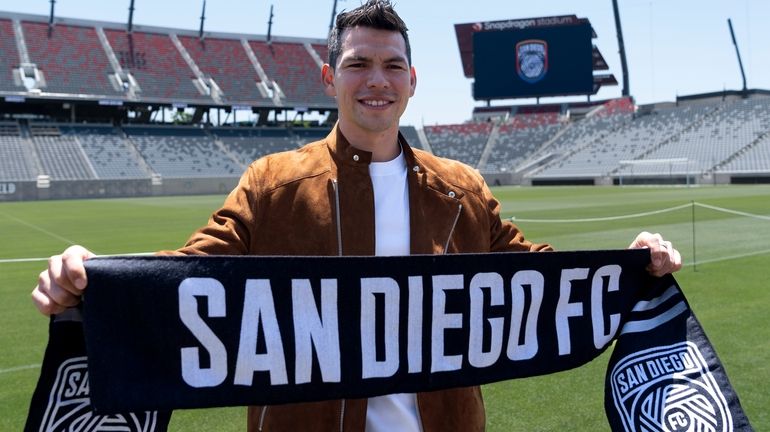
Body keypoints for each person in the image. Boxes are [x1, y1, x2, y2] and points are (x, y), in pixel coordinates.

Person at [31, 1, 682, 430]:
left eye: (392, 65)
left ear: (412, 80)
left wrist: (633, 265)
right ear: (328, 77)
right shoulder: (272, 181)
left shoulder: (461, 187)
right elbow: (191, 274)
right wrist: (93, 278)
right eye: (359, 64)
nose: (377, 79)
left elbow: (537, 277)